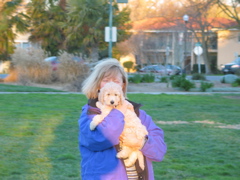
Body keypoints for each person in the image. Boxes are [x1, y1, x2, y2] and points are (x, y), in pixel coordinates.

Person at [79, 58, 167, 180]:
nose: (112, 84)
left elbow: (159, 151)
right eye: (106, 80)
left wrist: (141, 142)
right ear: (97, 84)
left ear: (123, 85)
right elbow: (103, 138)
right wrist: (119, 111)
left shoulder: (138, 114)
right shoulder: (91, 114)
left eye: (116, 81)